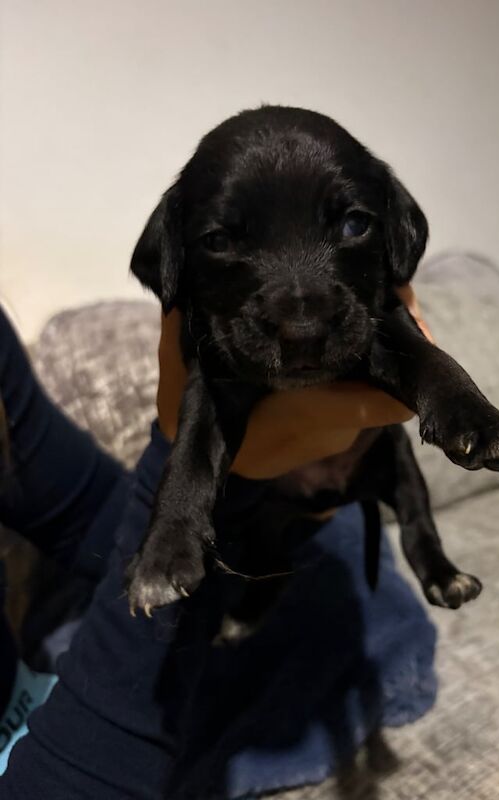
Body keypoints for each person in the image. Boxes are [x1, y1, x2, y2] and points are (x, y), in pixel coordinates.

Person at [0, 287, 437, 798]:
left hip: (39, 694)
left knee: (335, 562)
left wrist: (268, 488)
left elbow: (87, 513)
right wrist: (203, 473)